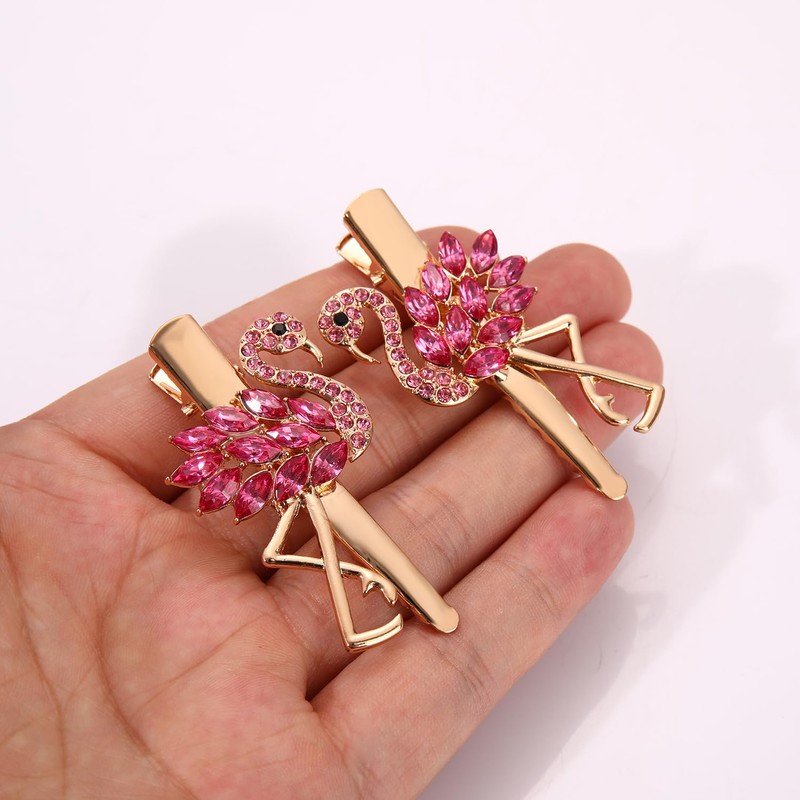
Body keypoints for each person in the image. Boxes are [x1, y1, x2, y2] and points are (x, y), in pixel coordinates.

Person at [0, 230, 661, 798]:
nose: (315, 351)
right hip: (298, 475)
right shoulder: (283, 415)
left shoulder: (354, 374)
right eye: (300, 341)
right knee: (306, 534)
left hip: (328, 452)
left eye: (317, 338)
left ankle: (375, 596)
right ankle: (365, 601)